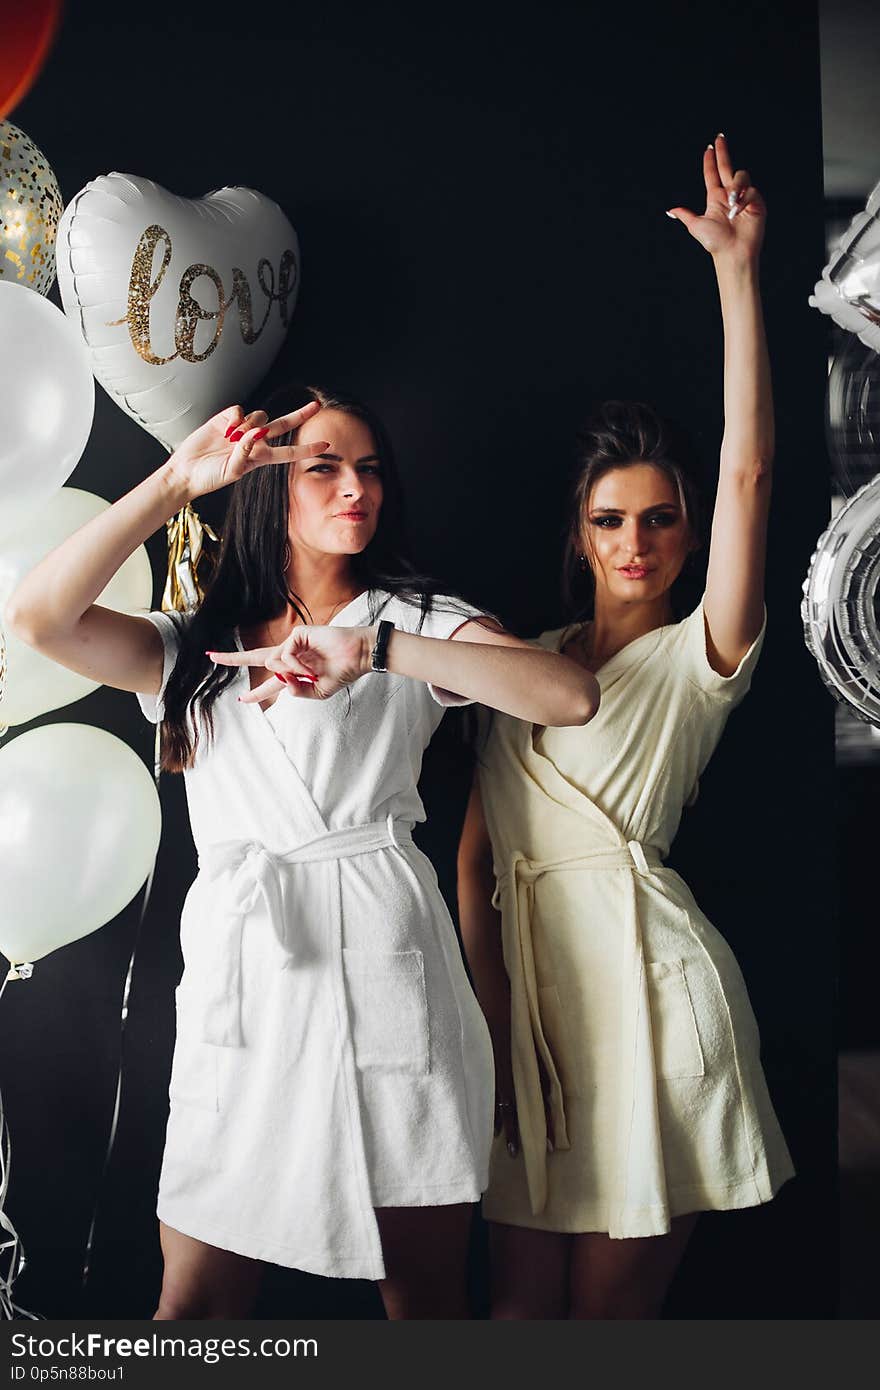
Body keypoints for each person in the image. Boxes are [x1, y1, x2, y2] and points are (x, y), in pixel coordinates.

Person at [5, 385, 599, 1320]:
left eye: (369, 468)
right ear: (264, 482)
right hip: (247, 990)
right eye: (322, 466)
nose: (355, 488)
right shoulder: (189, 653)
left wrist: (377, 651)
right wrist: (174, 483)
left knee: (428, 1304)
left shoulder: (414, 617)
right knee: (192, 1304)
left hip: (386, 967)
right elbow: (37, 618)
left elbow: (567, 697)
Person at [456, 134, 795, 1320]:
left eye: (659, 521)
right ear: (583, 531)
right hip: (536, 1027)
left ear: (686, 536)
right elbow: (474, 861)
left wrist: (735, 273)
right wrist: (493, 1033)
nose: (637, 543)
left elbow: (748, 472)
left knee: (605, 1336)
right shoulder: (529, 663)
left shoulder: (696, 658)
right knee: (513, 1325)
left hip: (651, 1010)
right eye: (613, 520)